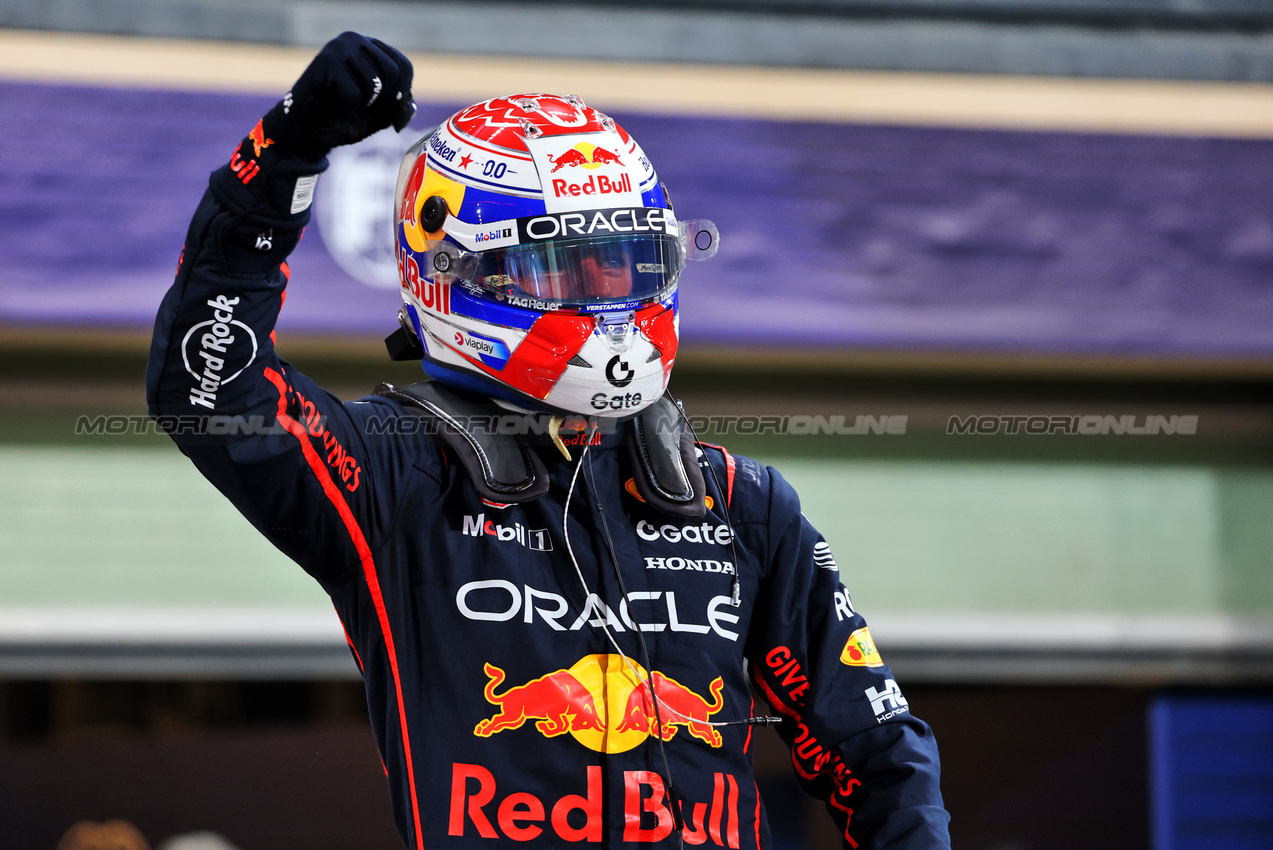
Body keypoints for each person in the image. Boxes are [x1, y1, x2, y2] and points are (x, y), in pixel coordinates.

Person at [146, 32, 951, 850]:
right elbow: (207, 390)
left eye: (630, 264)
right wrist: (286, 150)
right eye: (568, 270)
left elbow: (877, 754)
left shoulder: (741, 503)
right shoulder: (392, 473)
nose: (609, 301)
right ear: (455, 273)